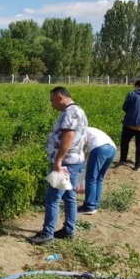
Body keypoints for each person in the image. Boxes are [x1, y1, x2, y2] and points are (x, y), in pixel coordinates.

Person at [29, 87, 87, 245]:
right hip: (73, 161)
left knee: (53, 198)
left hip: (66, 163)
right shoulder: (78, 111)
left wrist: (58, 160)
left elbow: (68, 136)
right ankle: (69, 230)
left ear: (61, 97)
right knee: (69, 197)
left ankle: (47, 234)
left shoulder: (70, 113)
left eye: (52, 100)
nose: (52, 104)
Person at [78, 127, 117, 215]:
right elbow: (87, 152)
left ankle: (89, 206)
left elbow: (82, 148)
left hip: (100, 149)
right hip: (112, 149)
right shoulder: (90, 130)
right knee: (99, 178)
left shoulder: (80, 131)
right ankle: (95, 204)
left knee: (91, 178)